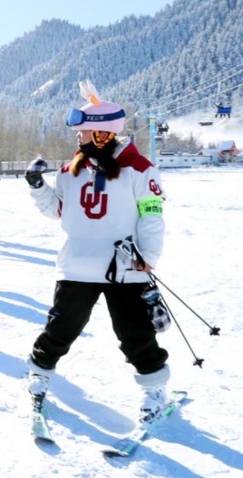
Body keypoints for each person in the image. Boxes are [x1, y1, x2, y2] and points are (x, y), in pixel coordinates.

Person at [23, 79, 169, 423]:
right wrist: (37, 186)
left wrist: (149, 256)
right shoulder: (71, 171)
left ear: (103, 134)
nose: (78, 137)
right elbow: (56, 211)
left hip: (125, 266)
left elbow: (152, 216)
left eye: (84, 132)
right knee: (60, 328)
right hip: (77, 266)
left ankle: (154, 388)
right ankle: (39, 373)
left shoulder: (140, 170)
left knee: (134, 333)